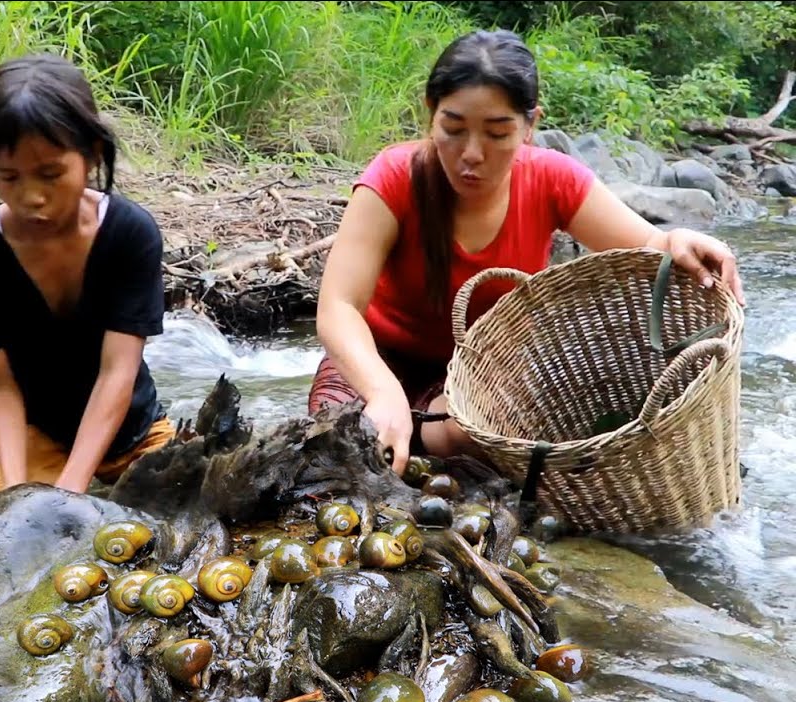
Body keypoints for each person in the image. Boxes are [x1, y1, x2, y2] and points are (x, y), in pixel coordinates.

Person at [311, 29, 746, 477]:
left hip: (476, 376)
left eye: (498, 133)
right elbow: (339, 306)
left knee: (466, 438)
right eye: (453, 129)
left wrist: (679, 241)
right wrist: (384, 393)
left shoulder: (552, 179)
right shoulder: (394, 176)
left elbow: (651, 244)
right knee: (341, 440)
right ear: (430, 115)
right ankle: (402, 434)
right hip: (373, 361)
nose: (472, 154)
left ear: (530, 125)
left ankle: (420, 441)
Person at [0, 53, 175, 495]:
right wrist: (14, 492)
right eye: (9, 177)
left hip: (135, 434)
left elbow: (116, 373)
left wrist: (70, 490)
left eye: (51, 174)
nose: (32, 197)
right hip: (39, 439)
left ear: (92, 155)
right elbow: (2, 388)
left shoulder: (130, 234)